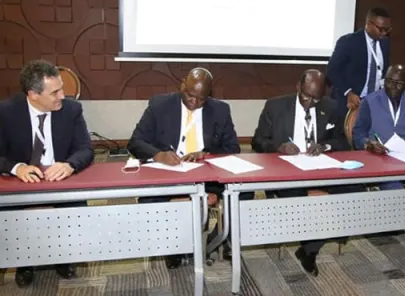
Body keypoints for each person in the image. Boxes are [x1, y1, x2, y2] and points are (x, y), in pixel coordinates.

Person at [128, 67, 241, 268]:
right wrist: (158, 154)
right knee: (150, 200)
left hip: (205, 176)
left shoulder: (221, 110)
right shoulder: (159, 105)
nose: (194, 103)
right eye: (190, 95)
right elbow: (135, 142)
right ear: (182, 84)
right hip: (167, 174)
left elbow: (233, 148)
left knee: (242, 195)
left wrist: (205, 154)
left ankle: (215, 241)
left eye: (201, 99)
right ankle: (173, 247)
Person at [252, 69, 357, 276]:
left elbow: (343, 141)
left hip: (321, 169)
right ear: (298, 87)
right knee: (300, 201)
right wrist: (278, 147)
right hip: (288, 172)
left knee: (354, 193)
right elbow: (257, 141)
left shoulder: (331, 106)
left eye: (315, 99)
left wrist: (325, 146)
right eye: (306, 97)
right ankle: (310, 250)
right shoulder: (275, 106)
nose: (310, 104)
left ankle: (311, 246)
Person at [0, 60, 94, 287]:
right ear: (33, 94)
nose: (62, 95)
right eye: (55, 92)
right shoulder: (6, 112)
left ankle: (64, 259)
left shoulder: (71, 110)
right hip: (21, 182)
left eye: (62, 88)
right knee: (12, 213)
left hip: (59, 180)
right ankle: (24, 263)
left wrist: (69, 165)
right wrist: (16, 167)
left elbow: (86, 149)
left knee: (74, 206)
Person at [326, 7, 391, 113]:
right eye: (381, 29)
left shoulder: (384, 43)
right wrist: (348, 92)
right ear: (369, 25)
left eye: (387, 30)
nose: (384, 33)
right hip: (351, 103)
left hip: (374, 103)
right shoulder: (348, 42)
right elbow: (332, 70)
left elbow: (383, 70)